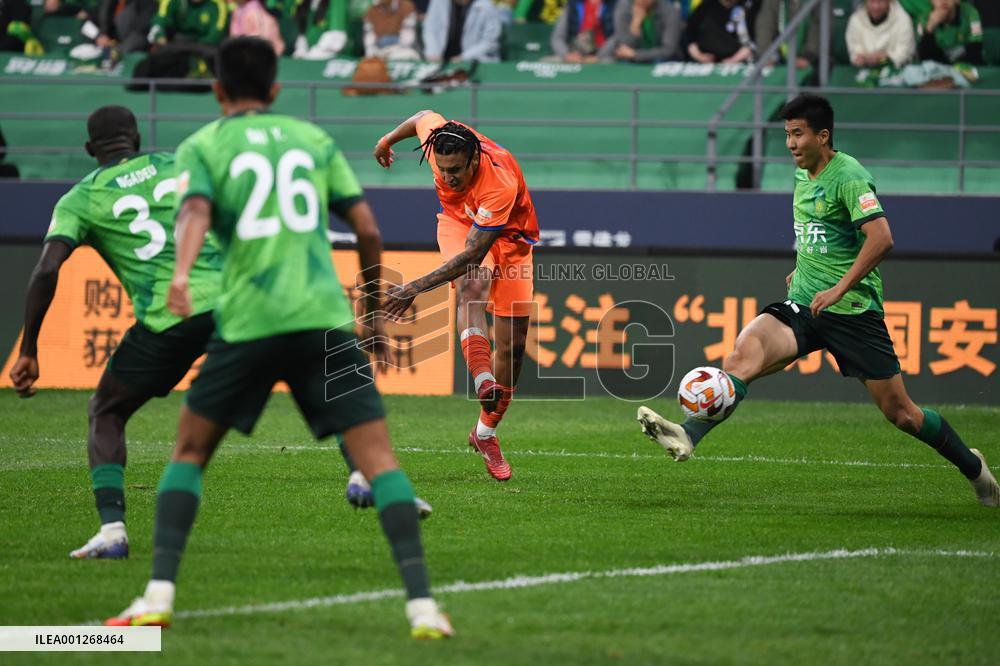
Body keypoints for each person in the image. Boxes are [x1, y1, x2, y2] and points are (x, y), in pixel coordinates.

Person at [103, 37, 453, 638]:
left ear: (216, 90)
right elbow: (367, 227)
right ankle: (424, 608)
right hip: (319, 316)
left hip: (247, 321)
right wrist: (369, 312)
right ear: (275, 90)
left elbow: (193, 214)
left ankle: (156, 598)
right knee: (379, 462)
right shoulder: (310, 139)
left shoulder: (204, 144)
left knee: (188, 453)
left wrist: (182, 275)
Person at [636, 93, 999, 509]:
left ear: (822, 135)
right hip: (804, 306)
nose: (790, 144)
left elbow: (882, 238)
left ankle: (973, 467)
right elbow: (818, 234)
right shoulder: (802, 174)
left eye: (797, 134)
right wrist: (803, 266)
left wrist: (839, 287)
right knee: (742, 357)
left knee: (902, 414)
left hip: (851, 313)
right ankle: (688, 434)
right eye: (786, 134)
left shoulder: (849, 176)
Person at [9, 106, 224, 560]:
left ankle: (112, 530)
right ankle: (363, 472)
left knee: (106, 409)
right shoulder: (176, 162)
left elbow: (47, 269)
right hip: (233, 300)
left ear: (90, 150)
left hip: (170, 316)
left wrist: (29, 349)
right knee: (301, 361)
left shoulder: (80, 198)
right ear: (137, 137)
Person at [374, 110, 540, 482]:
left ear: (475, 160)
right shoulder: (439, 143)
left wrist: (414, 287)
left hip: (509, 239)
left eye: (457, 171)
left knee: (513, 347)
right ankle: (483, 380)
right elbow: (420, 116)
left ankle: (484, 434)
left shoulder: (498, 181)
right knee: (472, 285)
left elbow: (473, 253)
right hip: (457, 223)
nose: (448, 178)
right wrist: (386, 140)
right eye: (443, 170)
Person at [422, 0, 502, 63]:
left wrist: (463, 57)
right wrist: (433, 53)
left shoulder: (487, 6)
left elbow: (490, 42)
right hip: (441, 61)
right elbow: (430, 29)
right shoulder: (438, 2)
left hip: (475, 62)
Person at [846, 0, 917, 69]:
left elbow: (905, 52)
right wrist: (858, 58)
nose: (876, 7)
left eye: (881, 1)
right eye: (872, 1)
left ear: (889, 1)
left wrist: (887, 56)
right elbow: (855, 49)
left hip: (895, 70)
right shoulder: (855, 20)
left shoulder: (903, 20)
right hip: (864, 70)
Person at [607, 0, 682, 63]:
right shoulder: (624, 7)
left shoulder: (669, 11)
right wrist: (635, 24)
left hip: (662, 59)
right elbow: (622, 45)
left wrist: (636, 55)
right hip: (631, 58)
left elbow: (668, 50)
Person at [684, 0, 754, 64]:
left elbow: (752, 41)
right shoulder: (706, 6)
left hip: (737, 62)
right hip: (703, 62)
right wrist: (698, 56)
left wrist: (734, 59)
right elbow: (690, 34)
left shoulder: (747, 6)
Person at [916, 0, 983, 66]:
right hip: (938, 68)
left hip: (967, 65)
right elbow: (925, 58)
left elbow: (976, 48)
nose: (943, 1)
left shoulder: (971, 13)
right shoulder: (924, 18)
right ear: (931, 1)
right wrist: (930, 28)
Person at [549, 0, 616, 63]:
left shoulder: (614, 4)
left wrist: (598, 57)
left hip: (605, 55)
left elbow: (617, 36)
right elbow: (557, 37)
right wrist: (566, 54)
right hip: (576, 54)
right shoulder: (573, 3)